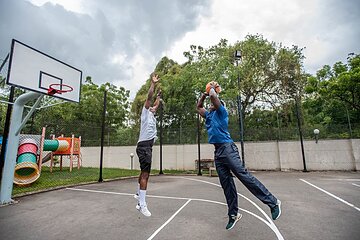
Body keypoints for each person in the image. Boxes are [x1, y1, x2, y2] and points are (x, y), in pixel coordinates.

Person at [196, 81, 281, 230]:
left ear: (217, 105)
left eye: (213, 102)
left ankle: (273, 202)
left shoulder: (222, 113)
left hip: (228, 149)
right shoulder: (209, 116)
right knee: (226, 185)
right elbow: (198, 107)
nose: (211, 103)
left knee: (243, 176)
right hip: (218, 152)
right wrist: (204, 95)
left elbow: (215, 97)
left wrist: (212, 88)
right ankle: (233, 215)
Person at [134, 73, 161, 217]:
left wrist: (159, 97)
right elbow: (149, 99)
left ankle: (138, 194)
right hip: (144, 147)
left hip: (146, 147)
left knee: (143, 173)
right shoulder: (145, 114)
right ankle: (141, 205)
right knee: (146, 175)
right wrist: (153, 84)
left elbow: (155, 103)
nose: (154, 107)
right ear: (148, 108)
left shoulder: (152, 115)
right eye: (152, 107)